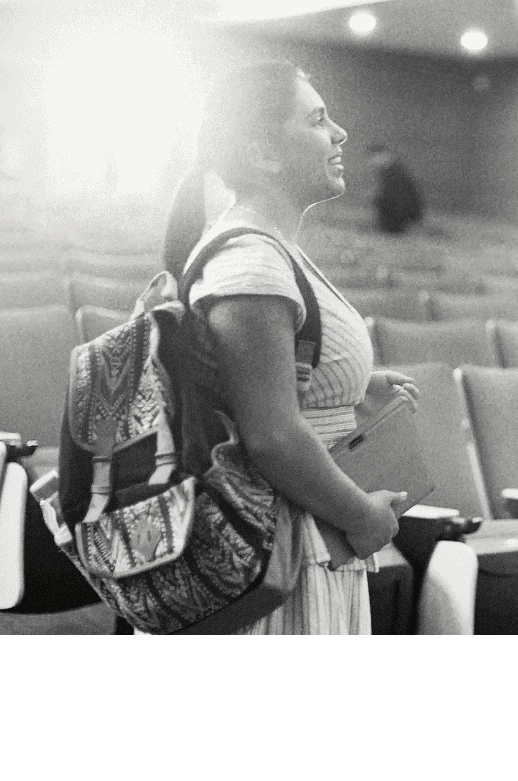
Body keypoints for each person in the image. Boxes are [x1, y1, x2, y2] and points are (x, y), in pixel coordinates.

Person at [159, 62, 422, 633]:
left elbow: (269, 383)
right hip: (285, 547)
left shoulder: (272, 251)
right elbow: (273, 436)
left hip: (307, 534)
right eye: (318, 120)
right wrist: (364, 517)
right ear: (264, 154)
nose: (341, 134)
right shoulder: (251, 261)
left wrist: (350, 385)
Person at [365, 142, 424, 235]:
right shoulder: (392, 171)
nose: (371, 162)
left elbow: (398, 200)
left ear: (382, 156)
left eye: (373, 157)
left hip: (400, 220)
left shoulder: (394, 174)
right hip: (402, 217)